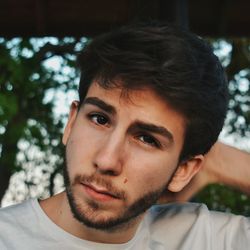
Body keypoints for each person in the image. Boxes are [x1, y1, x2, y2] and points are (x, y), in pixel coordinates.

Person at [0, 22, 249, 250]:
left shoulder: (202, 238)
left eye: (147, 139)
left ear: (183, 169)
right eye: (100, 119)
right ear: (72, 123)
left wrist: (219, 161)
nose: (107, 160)